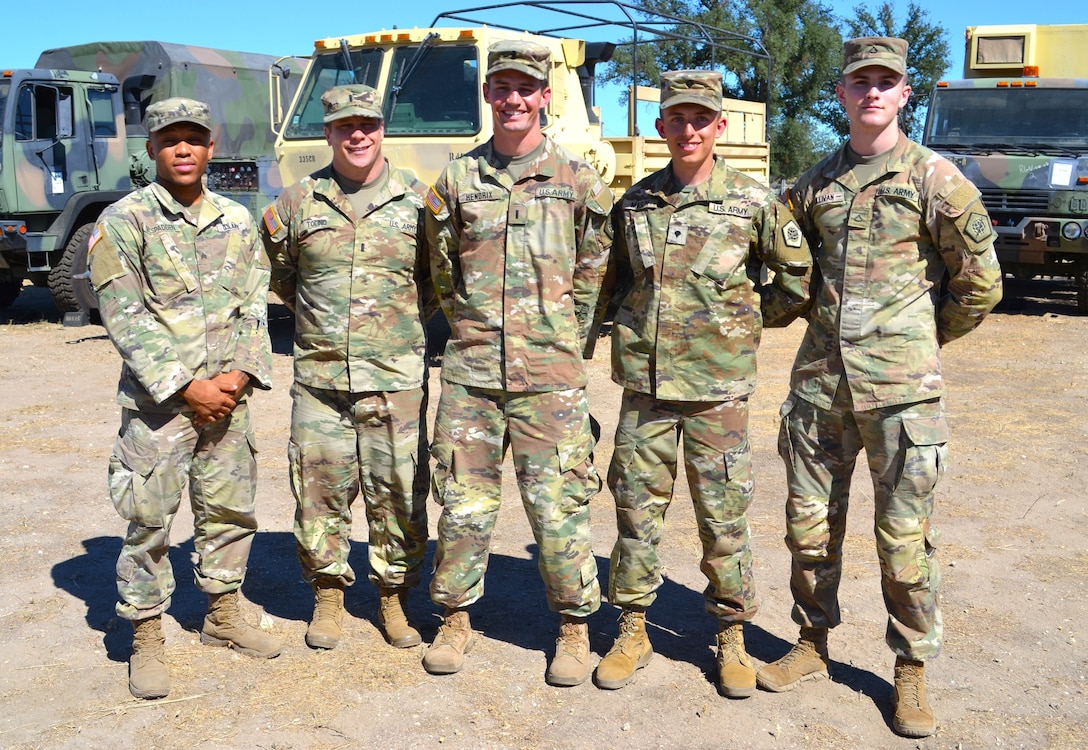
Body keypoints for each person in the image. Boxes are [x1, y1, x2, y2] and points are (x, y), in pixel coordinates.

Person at [754, 38, 1003, 737]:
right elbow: (792, 278)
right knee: (809, 529)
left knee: (903, 539)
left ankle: (911, 668)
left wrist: (919, 342)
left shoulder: (937, 180)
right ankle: (810, 643)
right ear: (840, 93)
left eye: (885, 82)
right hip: (819, 392)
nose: (871, 93)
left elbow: (980, 286)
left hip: (902, 397)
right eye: (859, 81)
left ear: (904, 95)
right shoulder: (811, 186)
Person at [586, 70, 811, 697]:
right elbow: (609, 284)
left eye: (699, 119)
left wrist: (740, 325)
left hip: (719, 393)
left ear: (720, 127)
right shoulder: (634, 204)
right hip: (647, 392)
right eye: (676, 119)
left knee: (724, 519)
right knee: (635, 514)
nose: (688, 130)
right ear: (661, 128)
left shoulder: (755, 202)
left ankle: (730, 637)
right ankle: (632, 629)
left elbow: (796, 280)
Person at [423, 39, 614, 686]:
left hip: (550, 379)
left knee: (559, 506)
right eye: (501, 86)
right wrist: (473, 329)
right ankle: (455, 619)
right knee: (462, 504)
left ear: (545, 97)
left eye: (524, 88)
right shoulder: (456, 180)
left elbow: (593, 275)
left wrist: (560, 340)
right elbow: (442, 270)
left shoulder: (577, 180)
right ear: (487, 95)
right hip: (472, 376)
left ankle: (573, 626)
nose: (512, 98)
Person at [88, 97, 281, 700]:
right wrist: (187, 386)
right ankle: (145, 635)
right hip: (159, 407)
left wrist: (240, 377)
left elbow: (255, 303)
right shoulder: (124, 220)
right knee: (148, 519)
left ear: (210, 146)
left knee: (229, 512)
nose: (182, 149)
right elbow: (123, 315)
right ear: (151, 149)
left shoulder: (237, 219)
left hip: (228, 401)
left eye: (193, 138)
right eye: (170, 139)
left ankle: (222, 615)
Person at [260, 85, 433, 652]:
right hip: (320, 380)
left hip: (396, 379)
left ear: (383, 129)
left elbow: (435, 283)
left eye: (368, 125)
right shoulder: (297, 202)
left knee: (399, 493)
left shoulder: (417, 200)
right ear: (327, 132)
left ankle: (393, 599)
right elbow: (282, 277)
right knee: (318, 493)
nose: (357, 135)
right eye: (343, 126)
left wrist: (390, 333)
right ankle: (328, 597)